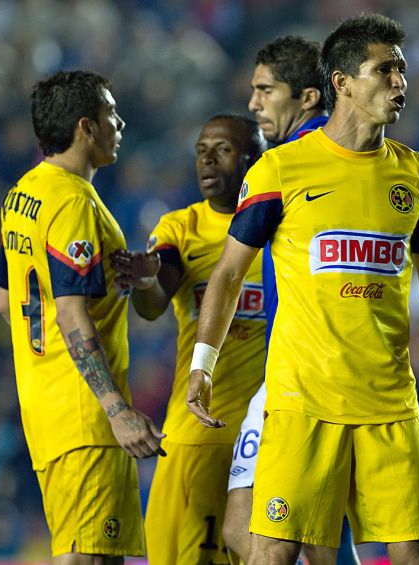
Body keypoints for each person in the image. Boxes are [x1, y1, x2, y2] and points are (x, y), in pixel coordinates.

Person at [186, 14, 419, 565]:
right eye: (385, 70)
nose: (400, 83)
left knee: (414, 553)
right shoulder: (282, 169)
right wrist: (201, 364)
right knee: (271, 550)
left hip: (389, 405)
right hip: (302, 402)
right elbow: (229, 274)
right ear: (342, 82)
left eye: (402, 70)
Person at [0, 70, 162, 562]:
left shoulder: (22, 195)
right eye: (112, 113)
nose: (121, 123)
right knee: (89, 557)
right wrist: (115, 409)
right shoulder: (73, 201)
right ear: (86, 127)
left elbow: (9, 304)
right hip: (86, 419)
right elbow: (71, 314)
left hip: (46, 414)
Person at [109, 114, 267, 565]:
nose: (208, 160)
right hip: (184, 431)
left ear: (252, 159)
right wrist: (144, 282)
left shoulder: (279, 231)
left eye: (223, 149)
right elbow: (155, 301)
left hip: (249, 435)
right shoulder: (181, 227)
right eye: (201, 150)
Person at [225, 35, 359, 565]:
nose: (254, 103)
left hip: (308, 377)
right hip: (285, 372)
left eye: (266, 90)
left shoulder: (305, 164)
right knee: (256, 532)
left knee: (272, 539)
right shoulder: (286, 161)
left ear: (307, 96)